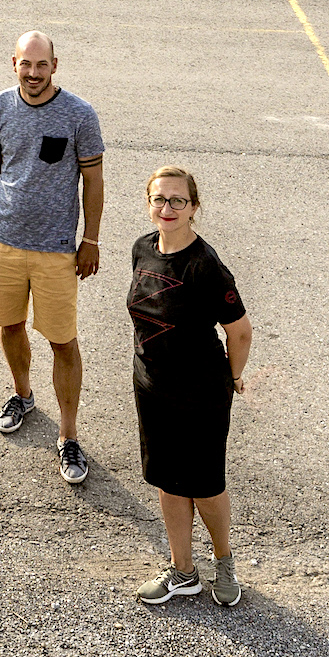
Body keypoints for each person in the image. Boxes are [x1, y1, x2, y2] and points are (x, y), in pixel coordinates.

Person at [0, 30, 105, 484]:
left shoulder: (79, 115)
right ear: (14, 64)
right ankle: (22, 395)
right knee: (9, 325)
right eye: (25, 65)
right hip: (4, 239)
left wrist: (91, 240)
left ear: (54, 65)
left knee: (63, 341)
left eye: (41, 65)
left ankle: (68, 436)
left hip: (56, 251)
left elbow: (93, 181)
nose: (33, 73)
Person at [129, 167, 253, 607]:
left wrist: (234, 376)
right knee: (168, 478)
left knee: (205, 484)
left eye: (177, 200)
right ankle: (183, 571)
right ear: (149, 204)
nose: (167, 208)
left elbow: (239, 332)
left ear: (194, 208)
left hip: (200, 393)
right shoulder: (142, 248)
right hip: (152, 386)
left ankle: (224, 562)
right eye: (159, 199)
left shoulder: (206, 267)